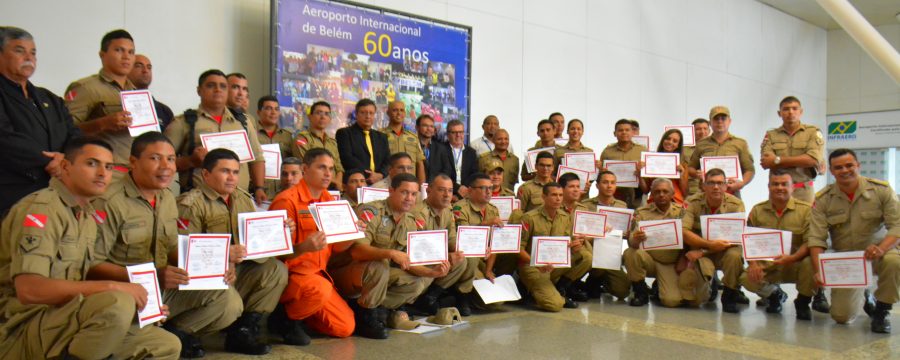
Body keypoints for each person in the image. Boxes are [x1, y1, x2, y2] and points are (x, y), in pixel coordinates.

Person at [0, 137, 180, 359]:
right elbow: (30, 290)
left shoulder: (85, 214)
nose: (103, 173)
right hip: (23, 325)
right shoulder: (42, 210)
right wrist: (114, 288)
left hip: (65, 317)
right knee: (118, 301)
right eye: (92, 164)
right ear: (65, 166)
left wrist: (145, 305)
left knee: (165, 344)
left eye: (109, 166)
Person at [87, 133, 242, 358]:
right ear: (133, 162)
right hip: (122, 293)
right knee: (165, 347)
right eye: (155, 159)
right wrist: (153, 276)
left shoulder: (166, 197)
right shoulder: (110, 201)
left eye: (170, 159)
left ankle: (174, 331)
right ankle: (150, 335)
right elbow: (91, 265)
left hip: (160, 287)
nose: (166, 166)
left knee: (228, 300)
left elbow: (170, 246)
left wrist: (215, 269)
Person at [175, 148, 290, 354]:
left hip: (234, 269)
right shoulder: (191, 204)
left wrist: (278, 230)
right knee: (231, 303)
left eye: (236, 172)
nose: (231, 178)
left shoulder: (242, 198)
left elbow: (253, 239)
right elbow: (183, 255)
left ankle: (242, 332)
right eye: (225, 171)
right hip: (202, 277)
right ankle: (182, 332)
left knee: (276, 270)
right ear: (206, 174)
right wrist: (224, 257)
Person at [268, 148, 358, 343]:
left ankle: (302, 314)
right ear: (305, 169)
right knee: (319, 289)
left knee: (345, 327)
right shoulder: (286, 201)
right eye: (322, 167)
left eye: (331, 169)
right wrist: (303, 247)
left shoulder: (328, 200)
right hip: (291, 277)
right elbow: (274, 255)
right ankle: (284, 319)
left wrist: (353, 234)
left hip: (318, 277)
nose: (328, 174)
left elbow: (337, 248)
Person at [808, 148, 900, 333]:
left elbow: (897, 226)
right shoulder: (824, 199)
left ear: (858, 165)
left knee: (894, 261)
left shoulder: (881, 190)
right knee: (841, 317)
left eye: (849, 165)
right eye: (838, 167)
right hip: (848, 261)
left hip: (878, 253)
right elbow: (816, 238)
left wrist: (881, 249)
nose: (844, 170)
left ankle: (882, 310)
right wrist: (820, 272)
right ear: (832, 171)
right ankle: (866, 293)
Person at [330, 173, 432, 339]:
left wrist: (432, 273)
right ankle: (367, 317)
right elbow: (357, 251)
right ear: (391, 191)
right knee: (380, 266)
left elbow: (408, 261)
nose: (409, 198)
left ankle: (366, 308)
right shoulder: (371, 211)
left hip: (377, 276)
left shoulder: (411, 220)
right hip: (346, 271)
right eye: (404, 192)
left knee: (418, 280)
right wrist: (390, 253)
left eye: (414, 194)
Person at [0, 26, 80, 214]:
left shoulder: (49, 98)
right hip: (13, 194)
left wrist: (65, 160)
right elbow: (5, 138)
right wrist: (49, 161)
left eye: (33, 52)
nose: (29, 57)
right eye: (19, 50)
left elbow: (74, 135)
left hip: (58, 191)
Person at [165, 69, 267, 202]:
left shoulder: (243, 122)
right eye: (211, 85)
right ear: (199, 90)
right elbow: (163, 162)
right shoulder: (184, 122)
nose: (218, 90)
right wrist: (190, 160)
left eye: (223, 86)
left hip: (239, 200)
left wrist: (259, 188)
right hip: (199, 203)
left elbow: (257, 158)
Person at [739, 170, 817, 319]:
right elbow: (748, 241)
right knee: (746, 278)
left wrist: (792, 258)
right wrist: (753, 264)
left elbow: (810, 242)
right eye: (775, 184)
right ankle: (775, 295)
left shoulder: (806, 211)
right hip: (769, 265)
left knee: (810, 264)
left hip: (794, 263)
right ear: (769, 187)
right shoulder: (757, 210)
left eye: (784, 184)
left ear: (792, 187)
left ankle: (803, 301)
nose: (779, 187)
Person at [65, 29, 137, 181]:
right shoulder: (86, 87)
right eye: (119, 50)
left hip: (135, 173)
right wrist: (102, 124)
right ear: (102, 55)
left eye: (131, 52)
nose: (126, 57)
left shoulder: (137, 92)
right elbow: (65, 131)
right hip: (104, 173)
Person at [624, 178, 707, 308]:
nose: (661, 194)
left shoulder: (683, 212)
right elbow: (632, 243)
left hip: (672, 263)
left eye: (665, 191)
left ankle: (659, 288)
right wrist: (636, 239)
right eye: (657, 192)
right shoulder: (642, 213)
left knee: (672, 301)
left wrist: (683, 258)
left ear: (673, 194)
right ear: (651, 194)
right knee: (630, 253)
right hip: (649, 260)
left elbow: (689, 237)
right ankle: (641, 292)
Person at [512, 182, 592, 311]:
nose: (558, 198)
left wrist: (574, 246)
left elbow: (567, 243)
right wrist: (537, 264)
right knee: (555, 305)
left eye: (560, 195)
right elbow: (518, 248)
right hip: (533, 266)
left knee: (585, 256)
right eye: (554, 195)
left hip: (555, 263)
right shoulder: (529, 218)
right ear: (543, 197)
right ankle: (528, 286)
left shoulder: (565, 217)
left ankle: (561, 288)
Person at [681, 168, 746, 313]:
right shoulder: (692, 202)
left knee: (734, 256)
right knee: (697, 301)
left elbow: (738, 237)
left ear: (725, 186)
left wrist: (705, 250)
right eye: (711, 183)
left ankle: (730, 294)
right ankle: (710, 284)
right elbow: (684, 232)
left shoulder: (736, 205)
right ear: (703, 186)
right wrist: (708, 246)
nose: (716, 187)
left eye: (719, 183)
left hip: (724, 250)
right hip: (701, 249)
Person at [413, 174, 476, 315]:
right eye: (442, 190)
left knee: (462, 259)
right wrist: (447, 255)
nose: (447, 195)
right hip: (419, 260)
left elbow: (452, 239)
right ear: (429, 191)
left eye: (450, 190)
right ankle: (418, 299)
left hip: (435, 258)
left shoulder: (448, 211)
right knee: (452, 260)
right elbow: (419, 249)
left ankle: (430, 297)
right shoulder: (419, 213)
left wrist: (471, 249)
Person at [558, 172, 626, 301]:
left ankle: (590, 284)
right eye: (572, 186)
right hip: (570, 248)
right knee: (588, 257)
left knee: (622, 290)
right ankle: (567, 286)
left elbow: (587, 233)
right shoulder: (586, 205)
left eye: (578, 186)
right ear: (597, 185)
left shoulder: (583, 208)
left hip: (604, 250)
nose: (576, 189)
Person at [760, 96, 825, 204]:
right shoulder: (771, 135)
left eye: (794, 108)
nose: (790, 112)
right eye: (786, 109)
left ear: (801, 112)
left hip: (803, 192)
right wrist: (801, 160)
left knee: (806, 220)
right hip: (778, 191)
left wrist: (778, 160)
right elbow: (766, 162)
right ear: (779, 113)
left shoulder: (812, 132)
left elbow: (812, 160)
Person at [688, 106, 755, 198]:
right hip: (706, 196)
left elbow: (750, 170)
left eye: (723, 118)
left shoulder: (740, 143)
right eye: (716, 119)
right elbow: (691, 167)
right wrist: (696, 173)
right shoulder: (701, 144)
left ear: (729, 121)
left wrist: (741, 183)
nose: (720, 121)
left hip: (731, 194)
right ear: (710, 123)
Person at [335, 99, 390, 185]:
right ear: (356, 114)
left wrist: (380, 175)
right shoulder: (344, 133)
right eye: (363, 112)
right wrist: (369, 174)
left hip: (379, 182)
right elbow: (347, 158)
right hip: (355, 182)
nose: (368, 116)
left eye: (371, 113)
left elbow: (388, 160)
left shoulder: (382, 137)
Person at [293, 100, 344, 190]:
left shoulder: (332, 142)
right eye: (319, 113)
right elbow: (307, 167)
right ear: (310, 116)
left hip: (334, 189)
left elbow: (338, 167)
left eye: (326, 114)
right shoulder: (302, 139)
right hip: (312, 188)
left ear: (330, 119)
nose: (323, 117)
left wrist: (338, 183)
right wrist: (335, 182)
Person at [600, 119, 647, 209]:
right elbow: (601, 174)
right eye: (620, 130)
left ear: (632, 132)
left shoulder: (642, 150)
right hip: (614, 195)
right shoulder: (607, 151)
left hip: (637, 195)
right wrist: (602, 171)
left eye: (627, 130)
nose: (624, 132)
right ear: (615, 133)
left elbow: (648, 176)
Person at [256, 95, 294, 199]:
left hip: (283, 192)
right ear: (258, 112)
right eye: (268, 108)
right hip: (259, 192)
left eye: (276, 109)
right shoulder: (251, 134)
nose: (273, 112)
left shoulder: (287, 136)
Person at [642, 128, 689, 206]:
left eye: (675, 141)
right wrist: (639, 173)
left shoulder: (682, 165)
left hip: (675, 202)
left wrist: (681, 176)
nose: (670, 142)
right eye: (668, 139)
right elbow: (646, 190)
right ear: (663, 140)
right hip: (654, 202)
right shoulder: (650, 160)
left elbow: (685, 193)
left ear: (678, 145)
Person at [381, 100, 426, 182]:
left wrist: (421, 189)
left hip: (410, 184)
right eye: (395, 110)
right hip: (387, 183)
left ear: (405, 113)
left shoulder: (413, 138)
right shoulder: (380, 135)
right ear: (388, 113)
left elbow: (420, 164)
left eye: (401, 110)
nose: (399, 113)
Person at [127, 54, 174, 130]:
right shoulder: (119, 103)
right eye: (138, 66)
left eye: (149, 67)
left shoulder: (164, 111)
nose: (145, 70)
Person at [445, 119, 478, 200]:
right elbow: (441, 174)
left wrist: (462, 193)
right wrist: (457, 188)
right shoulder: (441, 150)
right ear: (448, 134)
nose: (458, 135)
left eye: (461, 132)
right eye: (454, 132)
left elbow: (473, 175)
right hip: (446, 193)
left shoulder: (471, 152)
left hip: (466, 194)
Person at [417, 114, 453, 183]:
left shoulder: (441, 148)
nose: (429, 129)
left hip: (435, 188)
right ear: (417, 127)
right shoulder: (412, 146)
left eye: (431, 126)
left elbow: (447, 170)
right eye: (425, 125)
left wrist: (435, 184)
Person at [683, 118, 710, 197]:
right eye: (698, 129)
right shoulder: (683, 149)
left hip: (711, 188)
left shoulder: (716, 147)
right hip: (691, 189)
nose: (702, 132)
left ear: (709, 130)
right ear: (692, 131)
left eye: (705, 129)